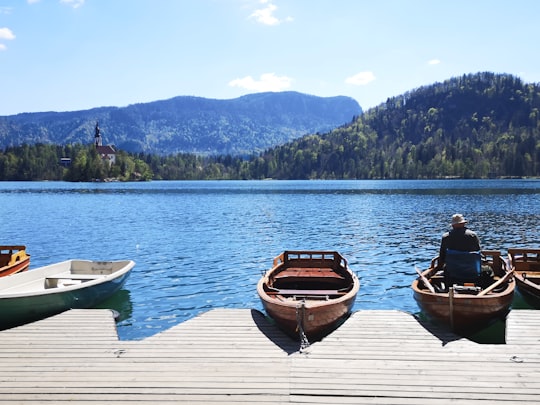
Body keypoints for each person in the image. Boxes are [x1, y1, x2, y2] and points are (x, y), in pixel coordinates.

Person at [438, 213, 481, 286]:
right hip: (472, 271)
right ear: (463, 224)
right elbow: (478, 253)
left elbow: (442, 257)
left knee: (445, 270)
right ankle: (481, 286)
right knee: (488, 271)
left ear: (453, 225)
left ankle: (447, 287)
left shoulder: (446, 237)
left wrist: (439, 269)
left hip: (452, 271)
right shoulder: (472, 235)